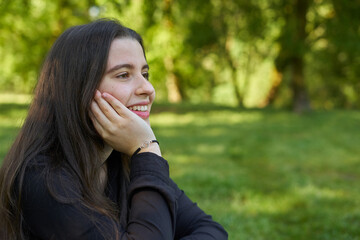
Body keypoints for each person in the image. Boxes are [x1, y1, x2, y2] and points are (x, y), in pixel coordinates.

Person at [0, 19, 228, 239]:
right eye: (123, 75)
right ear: (79, 90)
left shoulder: (123, 161)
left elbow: (211, 229)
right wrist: (147, 150)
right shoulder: (41, 180)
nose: (148, 88)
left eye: (145, 74)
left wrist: (143, 156)